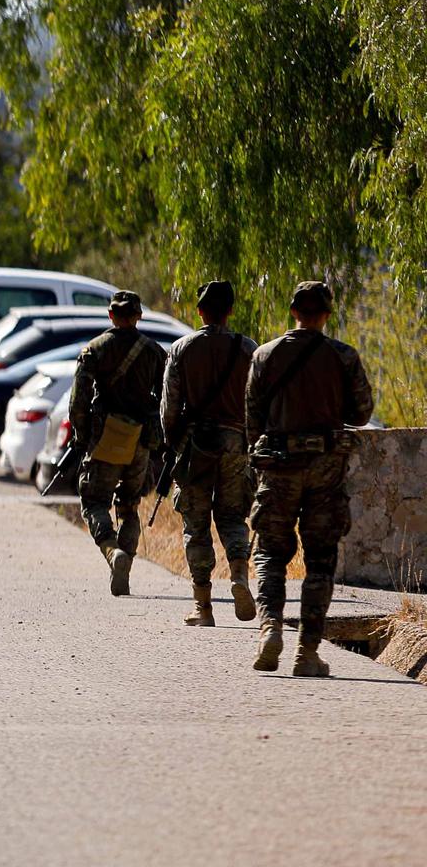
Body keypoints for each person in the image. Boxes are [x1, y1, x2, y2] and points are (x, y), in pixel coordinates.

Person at [244, 281, 375, 676]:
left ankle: (270, 628)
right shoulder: (343, 357)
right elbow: (363, 413)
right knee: (320, 559)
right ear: (326, 314)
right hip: (326, 469)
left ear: (293, 311)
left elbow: (252, 417)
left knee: (269, 551)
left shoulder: (265, 355)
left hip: (279, 466)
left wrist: (263, 460)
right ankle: (307, 651)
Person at [158, 281, 258, 627]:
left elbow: (169, 406)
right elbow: (258, 404)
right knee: (232, 518)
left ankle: (203, 606)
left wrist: (173, 444)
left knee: (196, 525)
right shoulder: (249, 349)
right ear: (230, 311)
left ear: (199, 311)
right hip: (235, 445)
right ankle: (240, 577)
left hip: (194, 447)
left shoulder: (182, 349)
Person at [68, 290, 166, 596]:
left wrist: (83, 437)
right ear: (138, 316)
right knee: (129, 505)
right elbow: (166, 400)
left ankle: (112, 552)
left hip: (106, 439)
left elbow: (78, 402)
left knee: (94, 502)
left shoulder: (94, 350)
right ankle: (125, 562)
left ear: (111, 315)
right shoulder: (154, 352)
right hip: (140, 441)